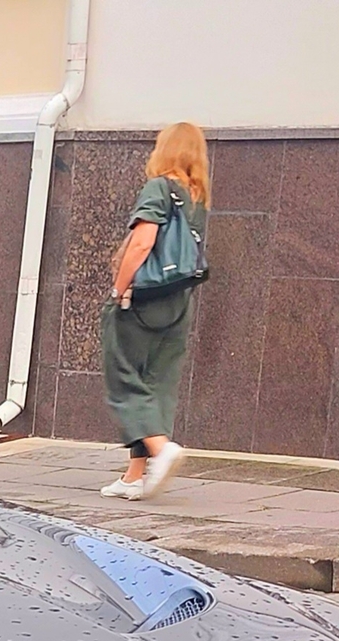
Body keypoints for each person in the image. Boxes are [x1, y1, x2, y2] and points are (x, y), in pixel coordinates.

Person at [100, 122, 211, 500]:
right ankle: (135, 475)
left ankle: (162, 449)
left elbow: (142, 243)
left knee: (124, 379)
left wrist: (119, 288)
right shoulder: (195, 196)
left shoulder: (159, 187)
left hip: (143, 297)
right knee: (157, 383)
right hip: (178, 300)